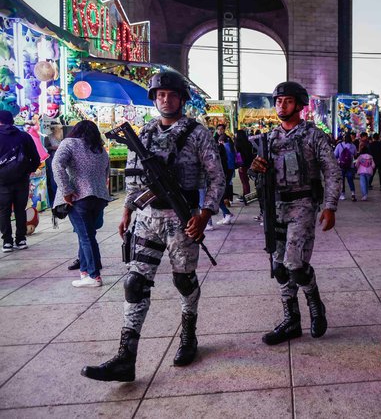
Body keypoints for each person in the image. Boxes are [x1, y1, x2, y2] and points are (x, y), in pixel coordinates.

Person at [81, 70, 226, 382]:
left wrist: (205, 213)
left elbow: (217, 177)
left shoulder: (198, 134)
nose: (165, 98)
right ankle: (125, 357)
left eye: (171, 94)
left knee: (183, 281)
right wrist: (127, 211)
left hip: (181, 218)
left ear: (182, 99)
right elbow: (134, 177)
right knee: (134, 282)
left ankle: (189, 332)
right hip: (147, 218)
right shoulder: (143, 133)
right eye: (160, 94)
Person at [250, 81, 341, 345]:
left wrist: (330, 206)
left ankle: (315, 304)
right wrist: (255, 167)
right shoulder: (269, 139)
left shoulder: (313, 136)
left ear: (300, 105)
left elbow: (332, 171)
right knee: (279, 267)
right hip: (275, 207)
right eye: (278, 101)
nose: (282, 105)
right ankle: (291, 320)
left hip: (302, 205)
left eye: (287, 101)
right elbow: (257, 177)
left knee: (295, 264)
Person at [52, 120, 110, 287]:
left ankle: (94, 275)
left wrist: (66, 190)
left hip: (80, 198)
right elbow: (106, 173)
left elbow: (56, 165)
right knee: (86, 234)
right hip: (99, 198)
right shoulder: (100, 149)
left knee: (86, 237)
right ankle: (85, 271)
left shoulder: (69, 143)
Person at [0, 111, 40, 253]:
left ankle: (7, 242)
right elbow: (36, 158)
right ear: (11, 121)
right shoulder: (24, 136)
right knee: (20, 210)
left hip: (2, 182)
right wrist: (26, 170)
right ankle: (21, 239)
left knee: (3, 211)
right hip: (21, 180)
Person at [333, 132, 357, 201]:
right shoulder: (353, 146)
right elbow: (355, 154)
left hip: (341, 165)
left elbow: (335, 155)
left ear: (344, 139)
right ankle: (353, 193)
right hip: (350, 165)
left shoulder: (339, 145)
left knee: (342, 180)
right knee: (350, 180)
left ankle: (342, 194)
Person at [235, 129, 255, 205]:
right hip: (248, 164)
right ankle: (246, 196)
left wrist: (240, 165)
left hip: (242, 165)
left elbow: (238, 156)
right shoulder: (248, 143)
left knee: (244, 181)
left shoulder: (238, 144)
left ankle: (246, 197)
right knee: (246, 181)